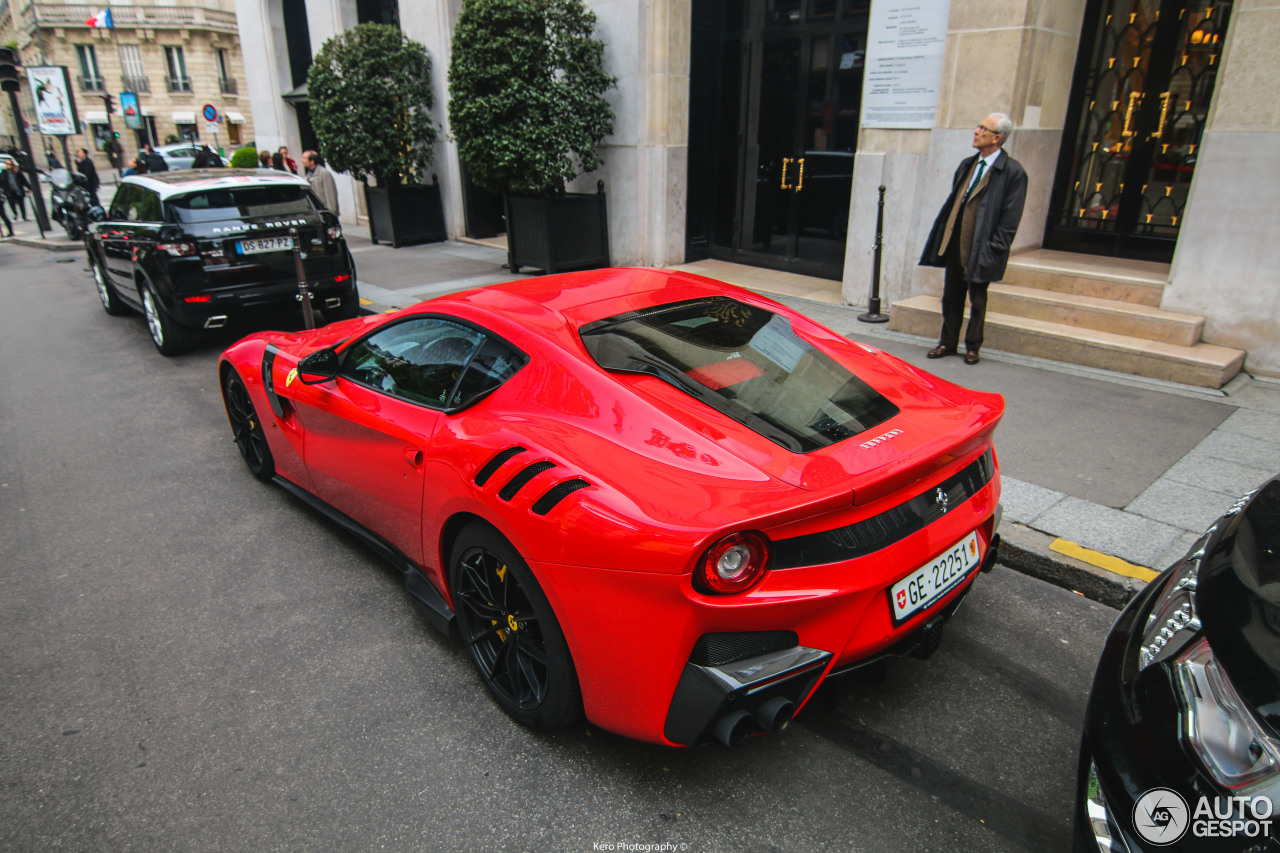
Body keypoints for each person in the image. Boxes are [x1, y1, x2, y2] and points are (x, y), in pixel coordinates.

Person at [918, 112, 1027, 365]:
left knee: (977, 299)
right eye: (978, 126)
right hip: (957, 241)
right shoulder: (968, 164)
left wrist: (996, 247)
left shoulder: (1013, 172)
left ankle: (973, 346)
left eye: (983, 128)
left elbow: (1011, 216)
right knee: (951, 295)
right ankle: (947, 342)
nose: (976, 131)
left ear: (997, 138)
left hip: (984, 245)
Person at [302, 150, 339, 216]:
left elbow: (330, 196)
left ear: (312, 161)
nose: (302, 160)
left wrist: (331, 215)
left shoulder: (324, 173)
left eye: (304, 158)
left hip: (325, 213)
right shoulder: (307, 176)